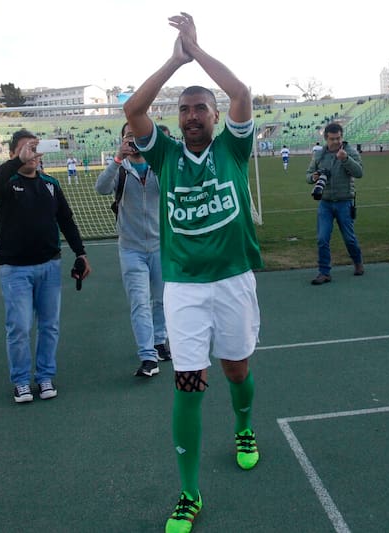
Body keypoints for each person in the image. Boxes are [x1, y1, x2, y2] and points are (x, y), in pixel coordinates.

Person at [124, 12, 262, 532]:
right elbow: (134, 108)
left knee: (236, 370)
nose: (191, 116)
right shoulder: (162, 155)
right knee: (188, 383)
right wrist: (173, 60)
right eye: (184, 110)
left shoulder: (233, 146)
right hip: (183, 286)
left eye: (200, 107)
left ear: (213, 114)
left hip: (232, 278)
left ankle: (245, 428)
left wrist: (198, 52)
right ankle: (188, 492)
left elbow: (242, 92)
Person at [0, 129, 91, 404]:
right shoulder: (6, 184)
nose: (32, 153)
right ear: (13, 154)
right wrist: (16, 162)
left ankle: (44, 377)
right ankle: (20, 381)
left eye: (34, 147)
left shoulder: (50, 184)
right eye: (25, 149)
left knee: (49, 326)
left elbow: (66, 220)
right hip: (15, 269)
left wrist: (80, 253)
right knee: (18, 326)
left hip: (49, 267)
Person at [95, 123, 170, 378]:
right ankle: (148, 356)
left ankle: (160, 342)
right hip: (131, 248)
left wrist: (155, 159)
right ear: (122, 139)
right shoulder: (121, 169)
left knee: (161, 299)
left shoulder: (156, 165)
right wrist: (118, 158)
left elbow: (169, 191)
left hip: (161, 245)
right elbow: (102, 188)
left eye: (138, 137)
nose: (134, 141)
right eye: (129, 136)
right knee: (140, 302)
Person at [306, 122, 364, 285]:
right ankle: (324, 272)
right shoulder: (319, 155)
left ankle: (358, 262)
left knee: (349, 238)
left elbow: (359, 172)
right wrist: (314, 177)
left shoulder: (349, 151)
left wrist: (345, 159)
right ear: (326, 139)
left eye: (338, 138)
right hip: (325, 203)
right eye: (332, 139)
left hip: (344, 201)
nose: (336, 142)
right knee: (322, 238)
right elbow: (308, 175)